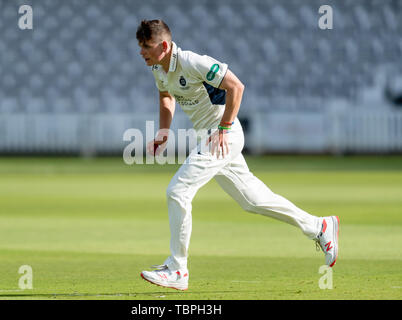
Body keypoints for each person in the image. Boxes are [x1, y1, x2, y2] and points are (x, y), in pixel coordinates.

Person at [136, 19, 339, 291]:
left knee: (178, 191)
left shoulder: (193, 62)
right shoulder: (158, 67)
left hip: (223, 136)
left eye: (146, 47)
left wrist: (224, 127)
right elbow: (165, 97)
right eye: (140, 47)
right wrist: (163, 131)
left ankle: (177, 269)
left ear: (163, 45)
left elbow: (236, 86)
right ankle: (319, 226)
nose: (142, 52)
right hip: (212, 137)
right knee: (253, 201)